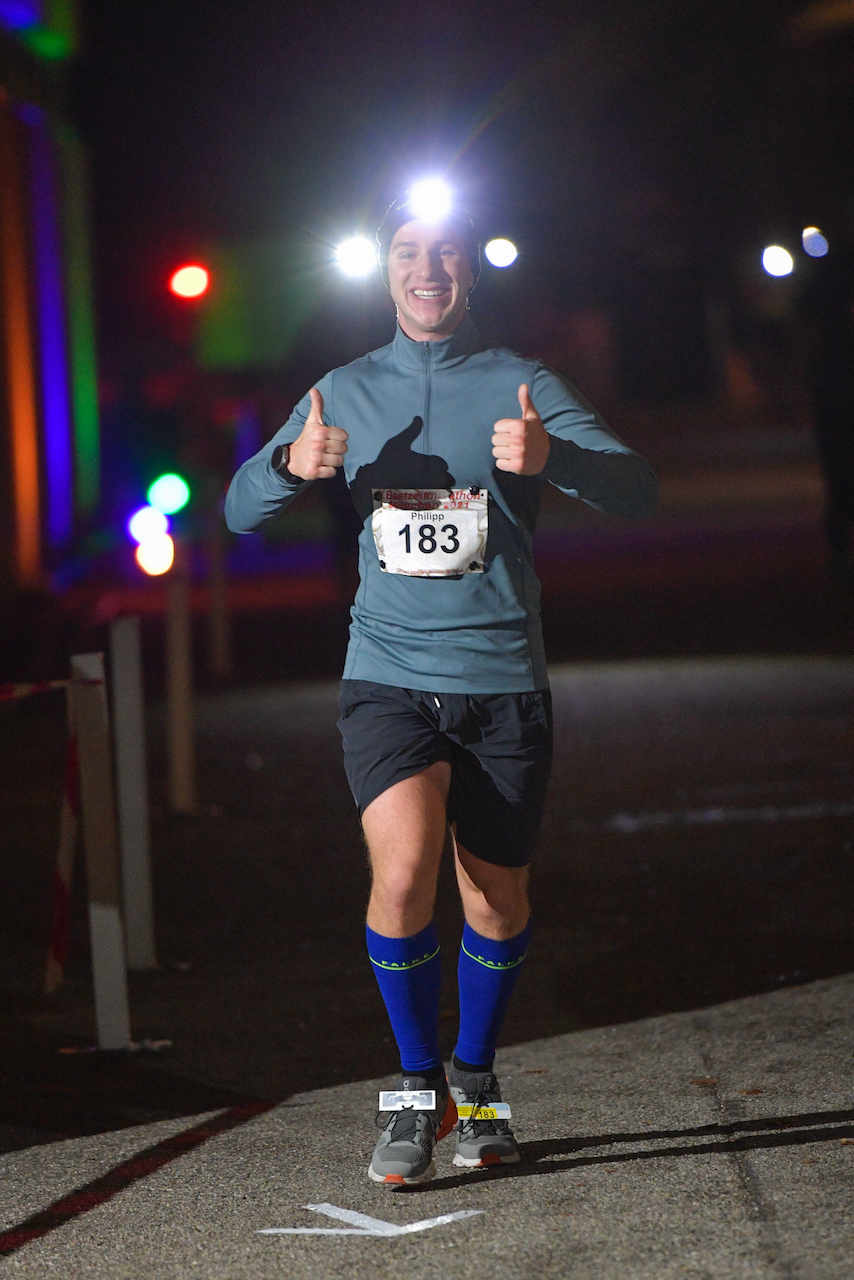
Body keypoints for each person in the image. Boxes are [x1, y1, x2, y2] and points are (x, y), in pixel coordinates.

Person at [225, 186, 658, 1186]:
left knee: (494, 898)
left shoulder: (519, 381)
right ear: (383, 269)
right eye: (408, 251)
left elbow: (636, 486)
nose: (428, 270)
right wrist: (292, 462)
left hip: (501, 678)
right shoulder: (345, 386)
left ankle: (476, 1075)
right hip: (386, 675)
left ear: (471, 269)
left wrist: (554, 458)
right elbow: (240, 506)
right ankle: (415, 1090)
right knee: (403, 870)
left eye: (448, 252)